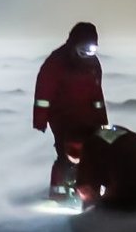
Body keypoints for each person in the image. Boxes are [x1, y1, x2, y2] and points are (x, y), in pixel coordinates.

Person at [33, 21, 105, 200]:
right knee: (67, 156)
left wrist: (102, 121)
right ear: (74, 45)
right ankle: (60, 194)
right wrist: (40, 119)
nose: (87, 55)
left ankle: (88, 194)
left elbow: (97, 95)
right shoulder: (56, 62)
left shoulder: (93, 65)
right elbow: (43, 93)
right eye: (84, 50)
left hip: (88, 118)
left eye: (91, 51)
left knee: (92, 156)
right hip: (62, 117)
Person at [74, 125, 136, 210]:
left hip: (131, 194)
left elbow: (86, 188)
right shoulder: (110, 131)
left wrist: (87, 212)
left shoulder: (90, 144)